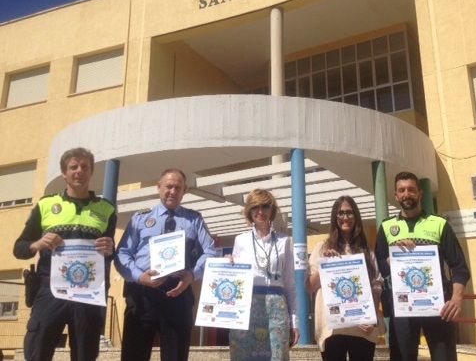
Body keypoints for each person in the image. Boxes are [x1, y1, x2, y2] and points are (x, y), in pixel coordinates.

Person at [13, 147, 116, 361]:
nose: (79, 171)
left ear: (91, 171)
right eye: (73, 167)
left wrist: (110, 249)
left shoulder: (107, 209)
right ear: (64, 173)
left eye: (85, 167)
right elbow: (19, 249)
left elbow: (107, 254)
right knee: (37, 353)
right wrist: (38, 243)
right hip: (49, 291)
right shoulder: (46, 205)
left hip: (88, 294)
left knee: (85, 355)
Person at [115, 168, 216, 361]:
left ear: (184, 190)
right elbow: (122, 253)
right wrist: (139, 276)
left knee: (175, 356)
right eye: (169, 186)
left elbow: (210, 252)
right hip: (142, 294)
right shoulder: (140, 218)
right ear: (158, 187)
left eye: (178, 188)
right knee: (134, 355)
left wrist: (192, 275)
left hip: (178, 293)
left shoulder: (194, 220)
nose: (173, 191)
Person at [375, 171, 471, 361]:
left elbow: (459, 266)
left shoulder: (439, 224)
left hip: (437, 306)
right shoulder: (386, 227)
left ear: (420, 193)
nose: (406, 194)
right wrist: (390, 260)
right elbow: (377, 264)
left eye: (411, 190)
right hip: (402, 307)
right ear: (396, 196)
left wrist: (456, 298)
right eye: (401, 190)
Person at [306, 195, 384, 361]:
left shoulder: (366, 250)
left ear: (356, 216)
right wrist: (326, 263)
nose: (345, 217)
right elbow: (310, 286)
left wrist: (371, 318)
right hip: (333, 329)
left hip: (362, 328)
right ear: (335, 218)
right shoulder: (322, 248)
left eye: (349, 212)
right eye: (340, 213)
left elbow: (376, 285)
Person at [229, 189, 299, 361]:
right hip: (247, 308)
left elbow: (290, 285)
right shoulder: (240, 240)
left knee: (277, 356)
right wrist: (227, 264)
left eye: (265, 206)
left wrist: (295, 321)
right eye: (255, 207)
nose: (260, 211)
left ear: (272, 210)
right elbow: (235, 280)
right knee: (244, 355)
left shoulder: (285, 241)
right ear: (249, 211)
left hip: (277, 308)